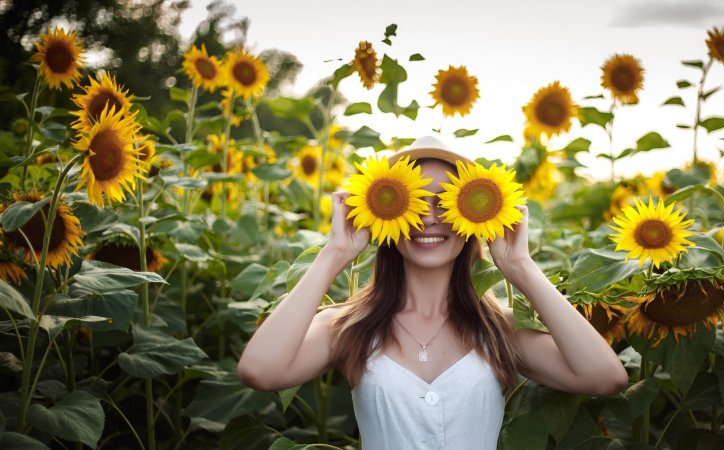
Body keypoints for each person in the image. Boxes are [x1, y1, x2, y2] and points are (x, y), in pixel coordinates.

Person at [237, 136, 628, 449]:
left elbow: (604, 378)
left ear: (476, 215)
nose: (428, 215)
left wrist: (519, 266)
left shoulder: (498, 330)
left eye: (447, 201)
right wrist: (334, 254)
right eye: (414, 199)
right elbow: (260, 370)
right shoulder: (348, 326)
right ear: (382, 212)